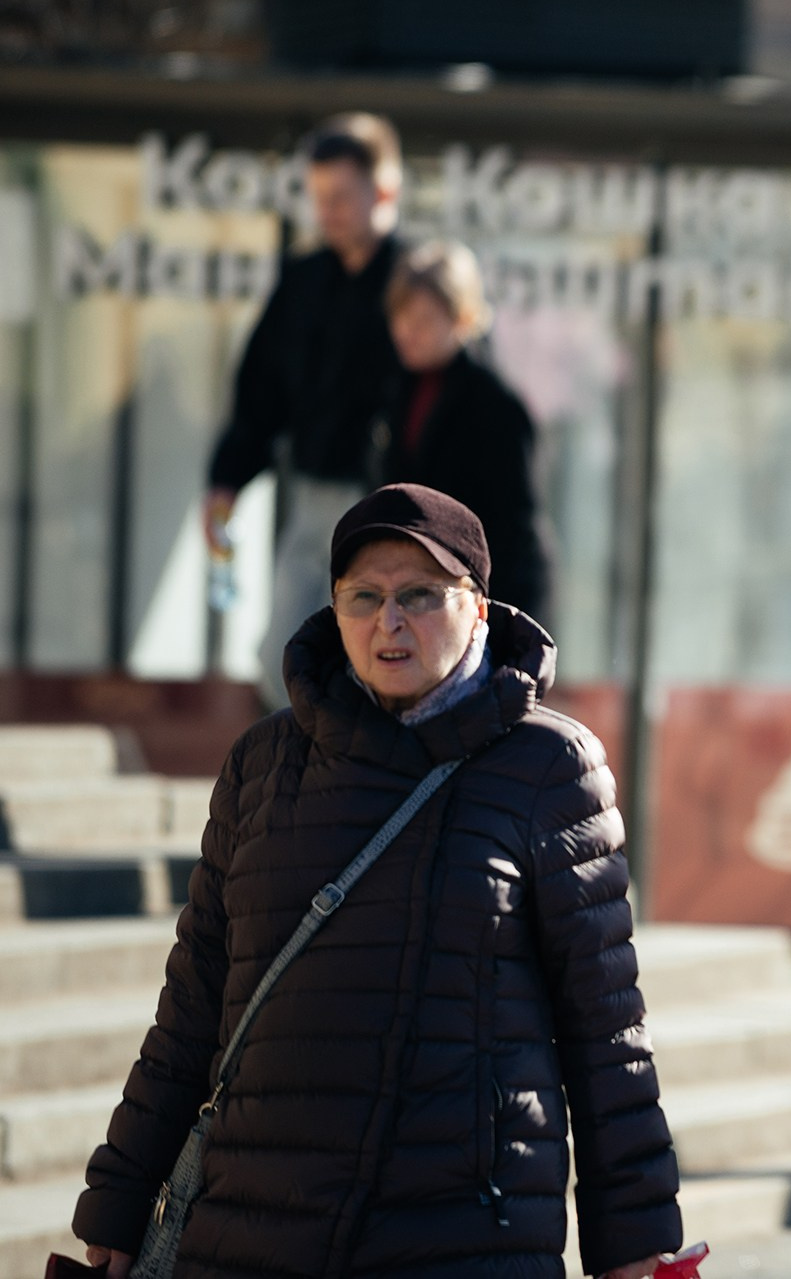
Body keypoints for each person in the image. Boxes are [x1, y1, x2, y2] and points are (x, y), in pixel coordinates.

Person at [72, 484, 682, 1278]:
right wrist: (121, 1197)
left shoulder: (549, 766)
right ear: (334, 610)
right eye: (364, 596)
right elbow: (192, 1009)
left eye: (420, 595)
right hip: (254, 1227)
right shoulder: (262, 764)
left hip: (465, 1234)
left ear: (478, 609)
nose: (389, 621)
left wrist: (633, 1235)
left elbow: (605, 1027)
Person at [206, 113, 409, 709]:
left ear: (384, 191)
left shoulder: (416, 282)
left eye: (341, 196)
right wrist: (226, 481)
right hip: (313, 496)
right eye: (319, 197)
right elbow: (260, 392)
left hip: (390, 509)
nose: (328, 212)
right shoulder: (303, 282)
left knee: (379, 667)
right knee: (284, 660)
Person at [373, 240, 554, 623]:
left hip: (480, 597)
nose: (406, 331)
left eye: (423, 320)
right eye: (399, 317)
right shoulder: (394, 388)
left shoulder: (496, 403)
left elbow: (515, 528)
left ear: (463, 319)